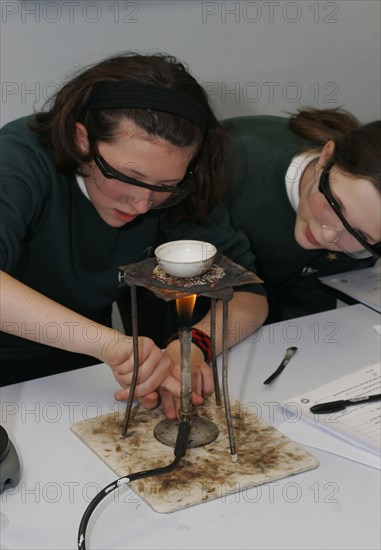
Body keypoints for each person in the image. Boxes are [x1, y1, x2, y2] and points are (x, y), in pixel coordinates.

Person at [0, 52, 268, 419]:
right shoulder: (17, 161)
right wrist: (109, 344)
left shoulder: (174, 191)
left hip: (74, 370)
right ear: (81, 140)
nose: (143, 204)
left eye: (165, 186)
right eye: (130, 177)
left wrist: (190, 347)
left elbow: (249, 297)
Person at [220, 108, 380, 323]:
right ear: (326, 158)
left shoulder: (362, 247)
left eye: (360, 234)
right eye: (336, 205)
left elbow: (306, 311)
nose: (328, 236)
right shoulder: (234, 166)